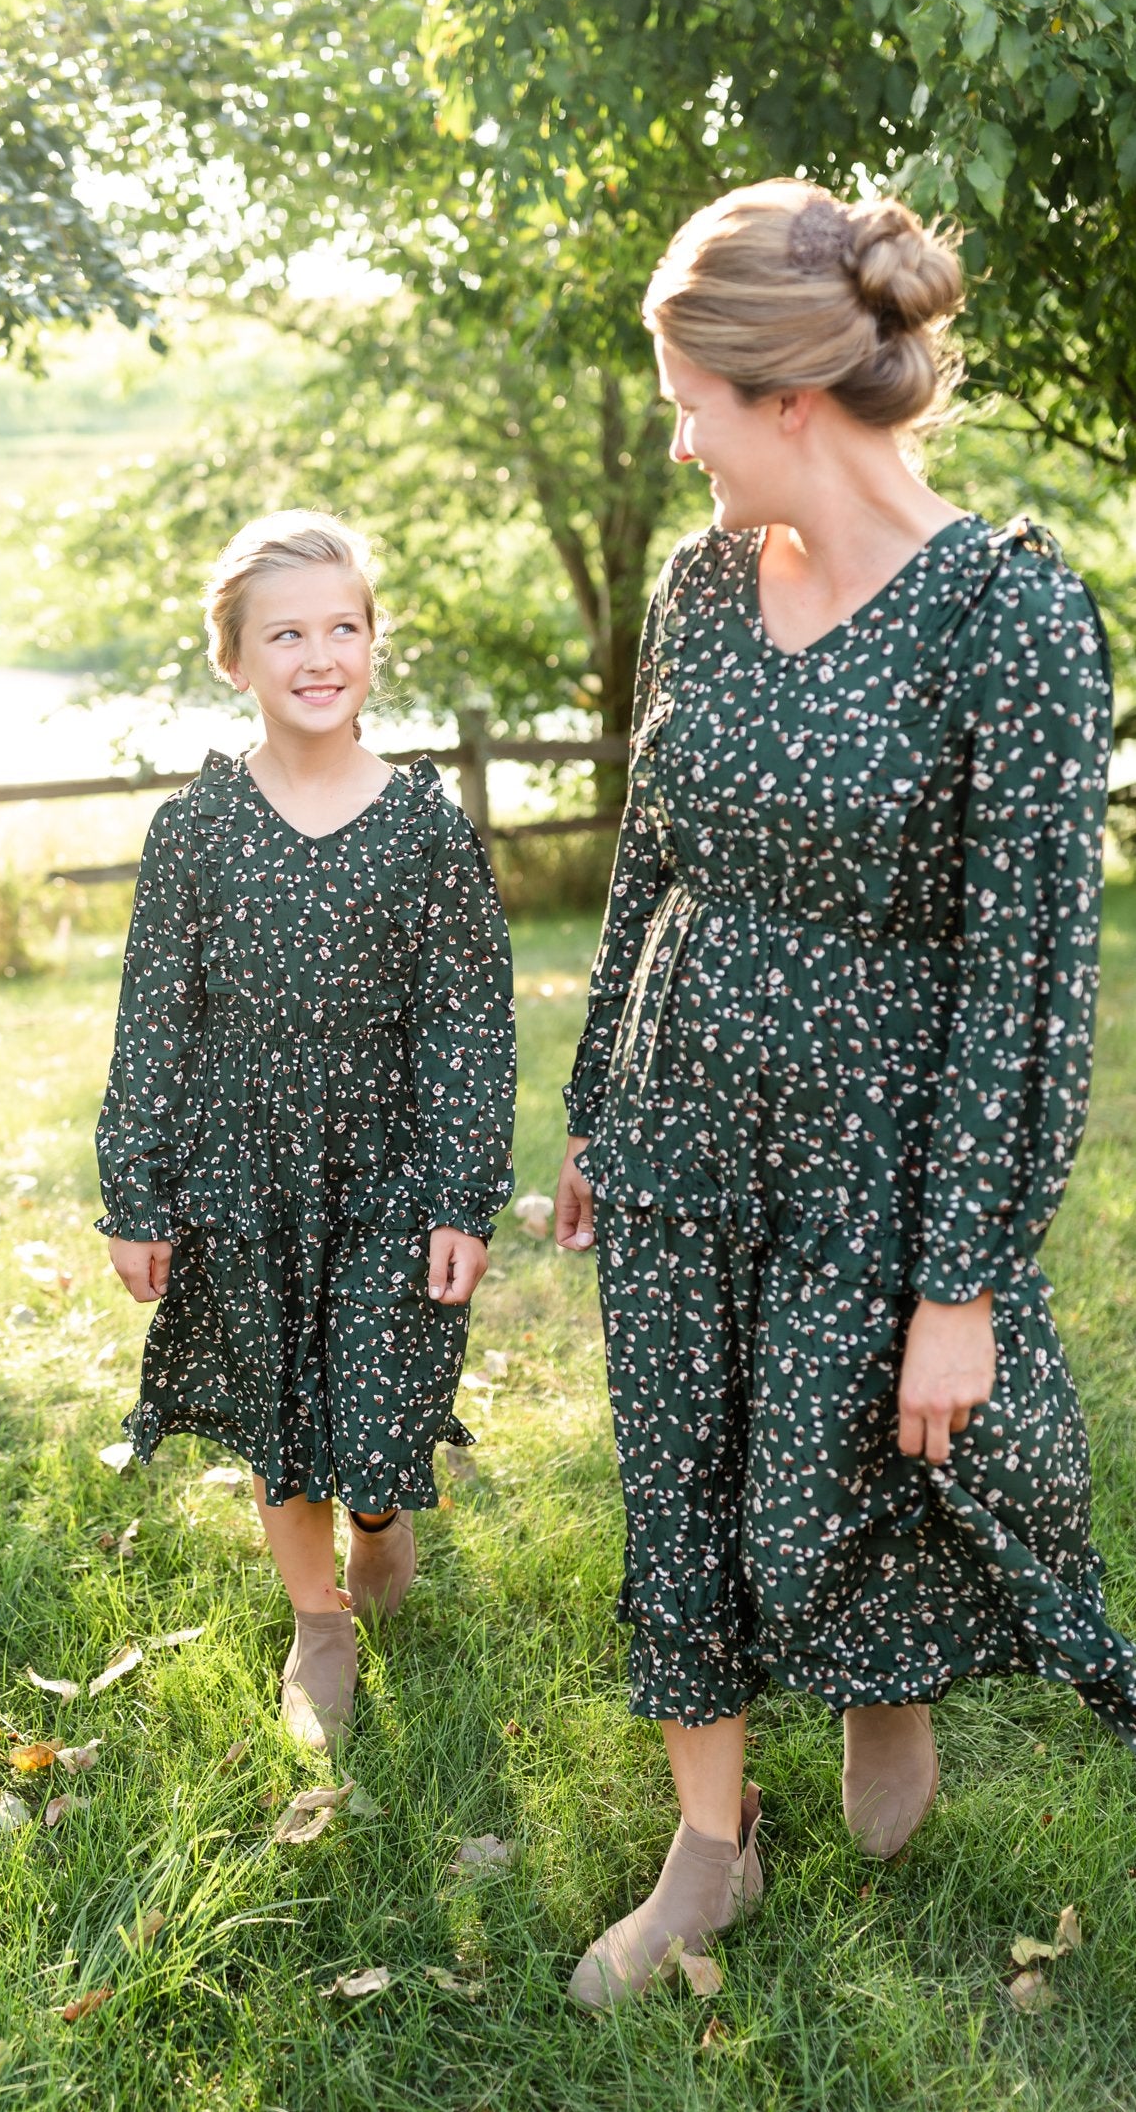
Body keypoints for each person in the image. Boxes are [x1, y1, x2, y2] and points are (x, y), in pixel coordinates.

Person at [555, 179, 1136, 2008]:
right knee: (684, 1469)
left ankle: (885, 1689)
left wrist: (957, 1278)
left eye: (685, 402)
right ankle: (703, 1848)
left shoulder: (1008, 619)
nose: (672, 438)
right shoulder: (698, 585)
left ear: (781, 397)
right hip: (676, 1112)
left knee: (868, 1454)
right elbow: (646, 851)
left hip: (875, 1143)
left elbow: (1025, 976)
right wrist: (591, 1098)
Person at [97, 509, 516, 1752]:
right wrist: (139, 1194)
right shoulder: (198, 831)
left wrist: (462, 1192)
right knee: (281, 1404)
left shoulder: (426, 830)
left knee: (379, 1404)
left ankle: (383, 1516)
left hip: (387, 1170)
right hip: (242, 1171)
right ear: (234, 659)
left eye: (345, 626)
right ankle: (316, 1618)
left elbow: (467, 1024)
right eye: (286, 632)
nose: (319, 653)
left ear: (376, 646)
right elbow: (154, 1021)